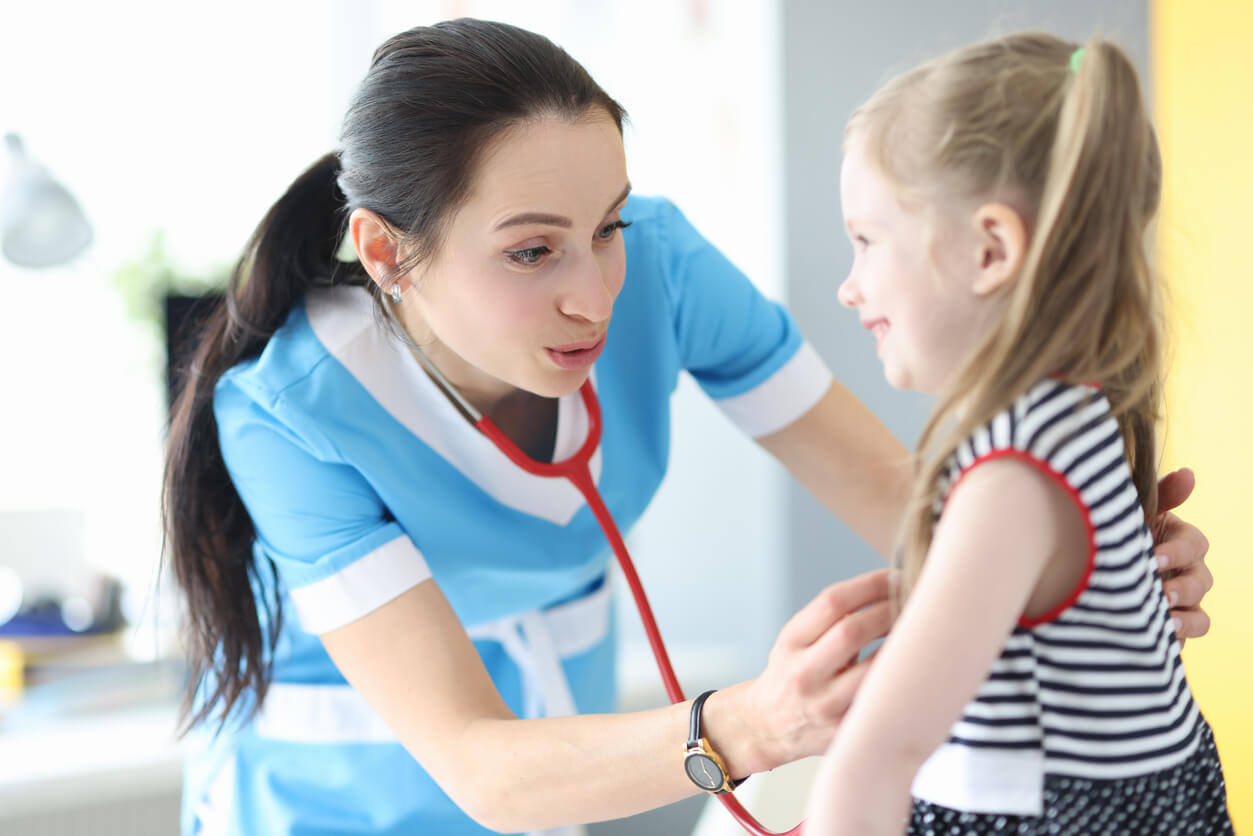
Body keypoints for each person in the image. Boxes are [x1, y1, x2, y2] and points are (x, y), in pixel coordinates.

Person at [163, 19, 1215, 835]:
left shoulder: (661, 266)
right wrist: (754, 723)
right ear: (387, 255)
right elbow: (480, 764)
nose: (595, 294)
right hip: (335, 799)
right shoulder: (289, 415)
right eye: (532, 253)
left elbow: (912, 509)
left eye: (606, 224)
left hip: (564, 778)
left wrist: (1079, 568)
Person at [803, 33, 1232, 835]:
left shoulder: (1013, 474)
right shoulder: (1087, 416)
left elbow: (877, 757)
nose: (848, 286)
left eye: (866, 241)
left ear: (991, 249)